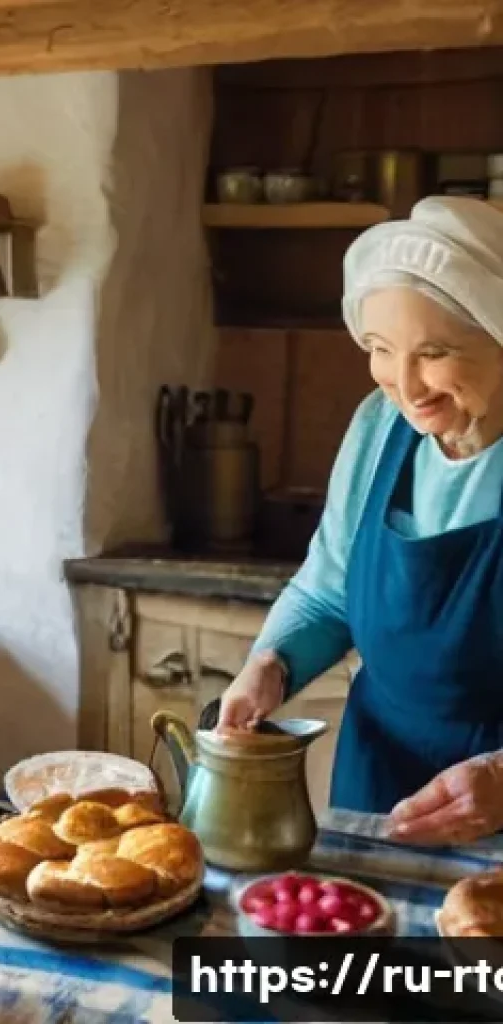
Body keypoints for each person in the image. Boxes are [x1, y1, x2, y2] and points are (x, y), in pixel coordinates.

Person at [218, 196, 503, 846]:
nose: (405, 385)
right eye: (380, 349)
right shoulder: (381, 427)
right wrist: (272, 663)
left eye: (434, 351)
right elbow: (329, 586)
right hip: (378, 788)